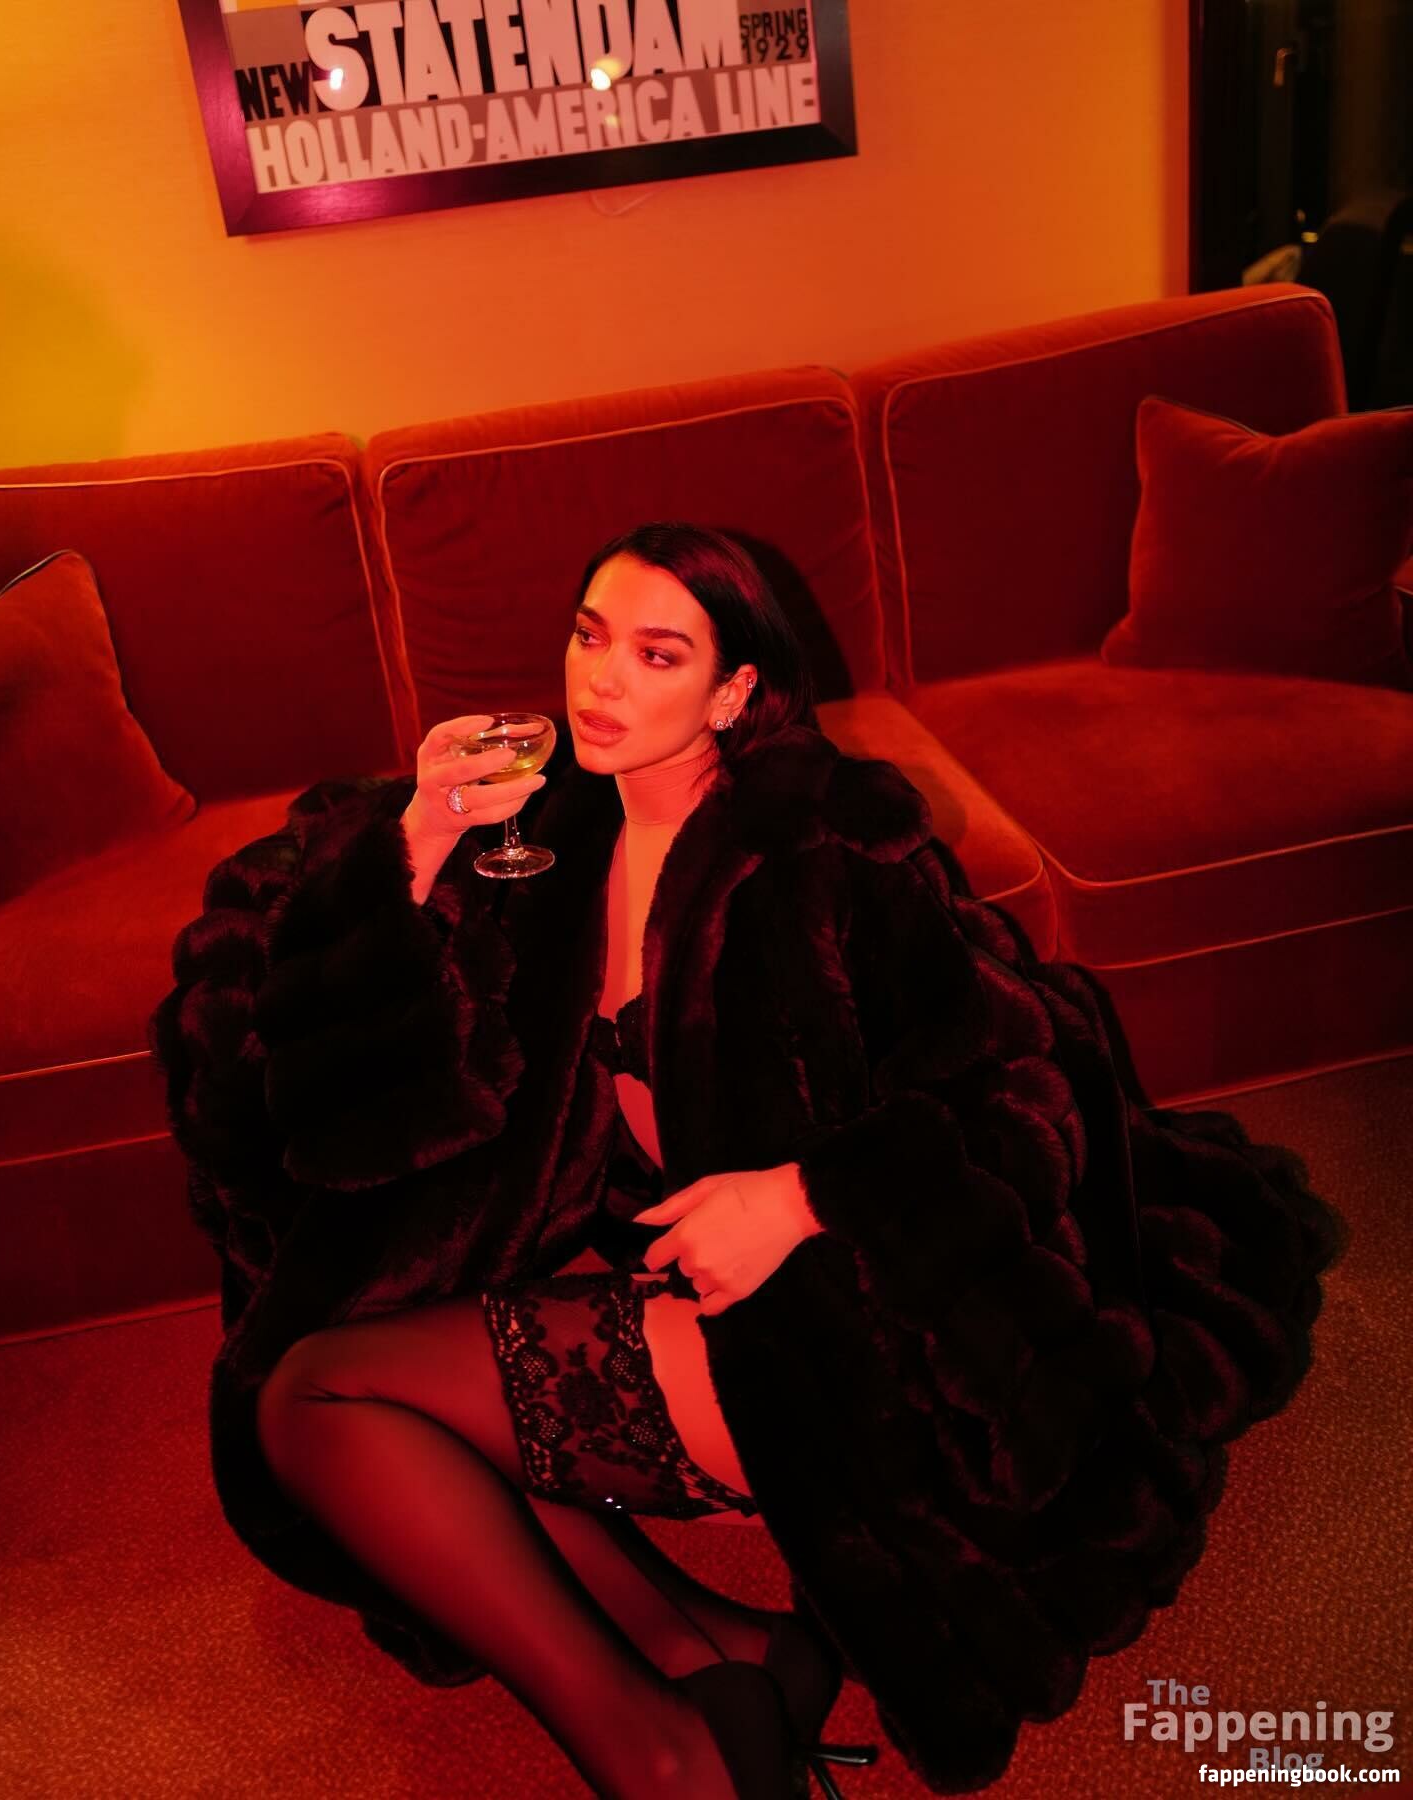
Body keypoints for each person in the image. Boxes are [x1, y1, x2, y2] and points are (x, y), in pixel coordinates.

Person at [150, 522, 1346, 1798]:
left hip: (851, 1314)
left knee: (325, 1403)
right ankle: (731, 1652)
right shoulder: (555, 839)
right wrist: (424, 835)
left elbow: (1030, 1080)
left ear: (733, 693)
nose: (601, 679)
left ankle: (668, 1757)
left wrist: (806, 1195)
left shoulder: (825, 846)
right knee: (333, 1383)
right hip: (698, 1283)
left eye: (657, 654)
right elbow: (310, 1018)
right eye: (589, 636)